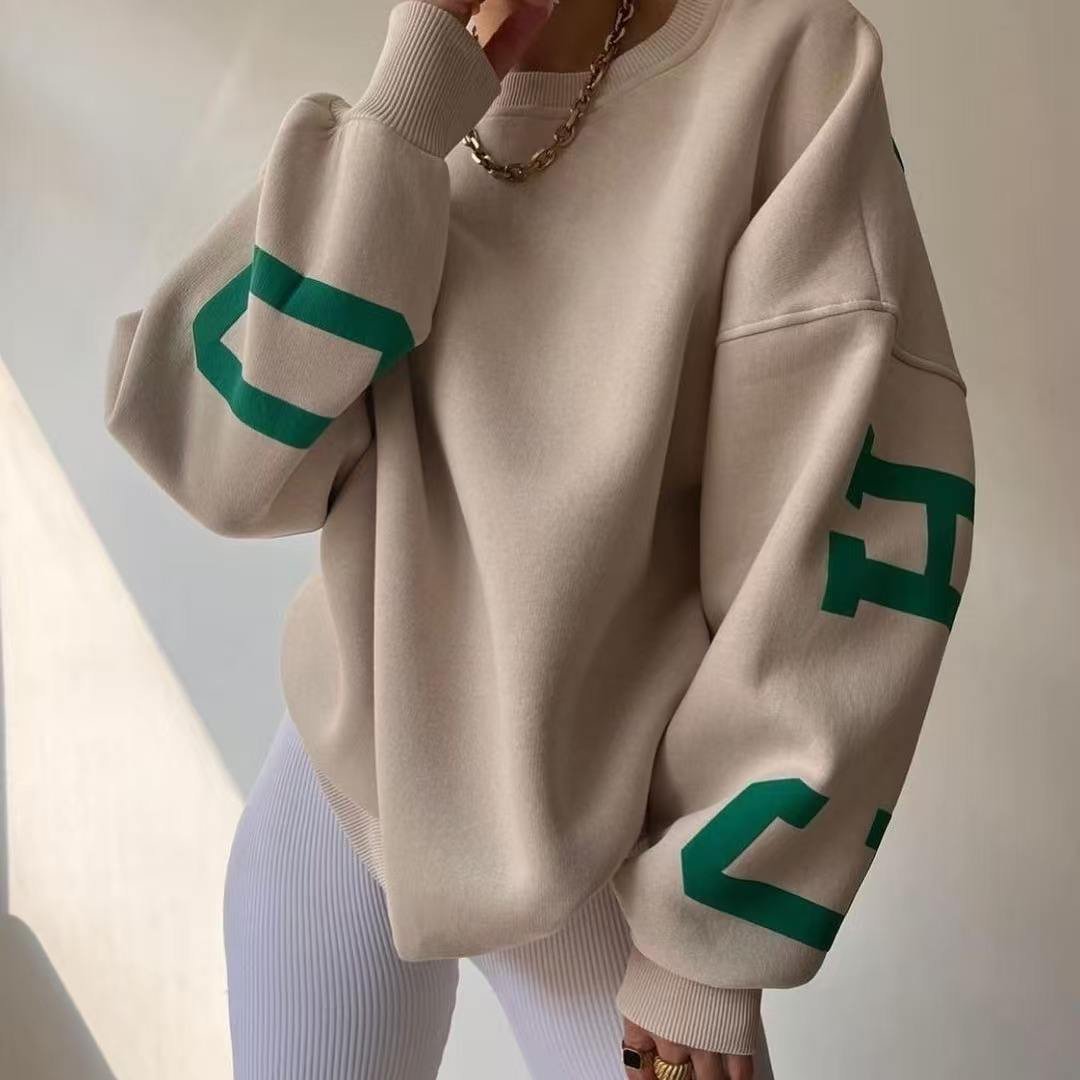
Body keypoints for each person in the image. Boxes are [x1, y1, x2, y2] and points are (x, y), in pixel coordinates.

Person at [103, 0, 976, 1076]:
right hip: (339, 789)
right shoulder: (436, 68)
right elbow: (225, 463)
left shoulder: (790, 62)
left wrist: (708, 947)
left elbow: (850, 519)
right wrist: (404, 112)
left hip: (600, 847)